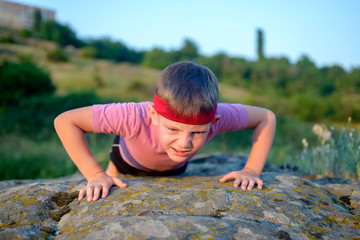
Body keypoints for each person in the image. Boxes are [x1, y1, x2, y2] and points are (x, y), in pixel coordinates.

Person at [54, 61, 276, 202]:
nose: (184, 143)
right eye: (173, 128)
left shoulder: (217, 116)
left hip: (174, 169)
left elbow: (266, 117)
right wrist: (95, 175)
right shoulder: (132, 116)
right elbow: (65, 121)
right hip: (124, 160)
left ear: (214, 121)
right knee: (108, 185)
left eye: (197, 133)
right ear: (153, 115)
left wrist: (252, 170)